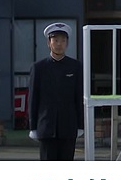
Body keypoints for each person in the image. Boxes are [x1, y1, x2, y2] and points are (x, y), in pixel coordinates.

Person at [28, 23, 84, 161]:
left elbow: (79, 96)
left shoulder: (75, 66)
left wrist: (80, 125)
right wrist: (33, 126)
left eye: (63, 40)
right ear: (49, 43)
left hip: (68, 127)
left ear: (67, 43)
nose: (59, 44)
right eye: (56, 40)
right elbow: (33, 99)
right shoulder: (39, 67)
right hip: (46, 127)